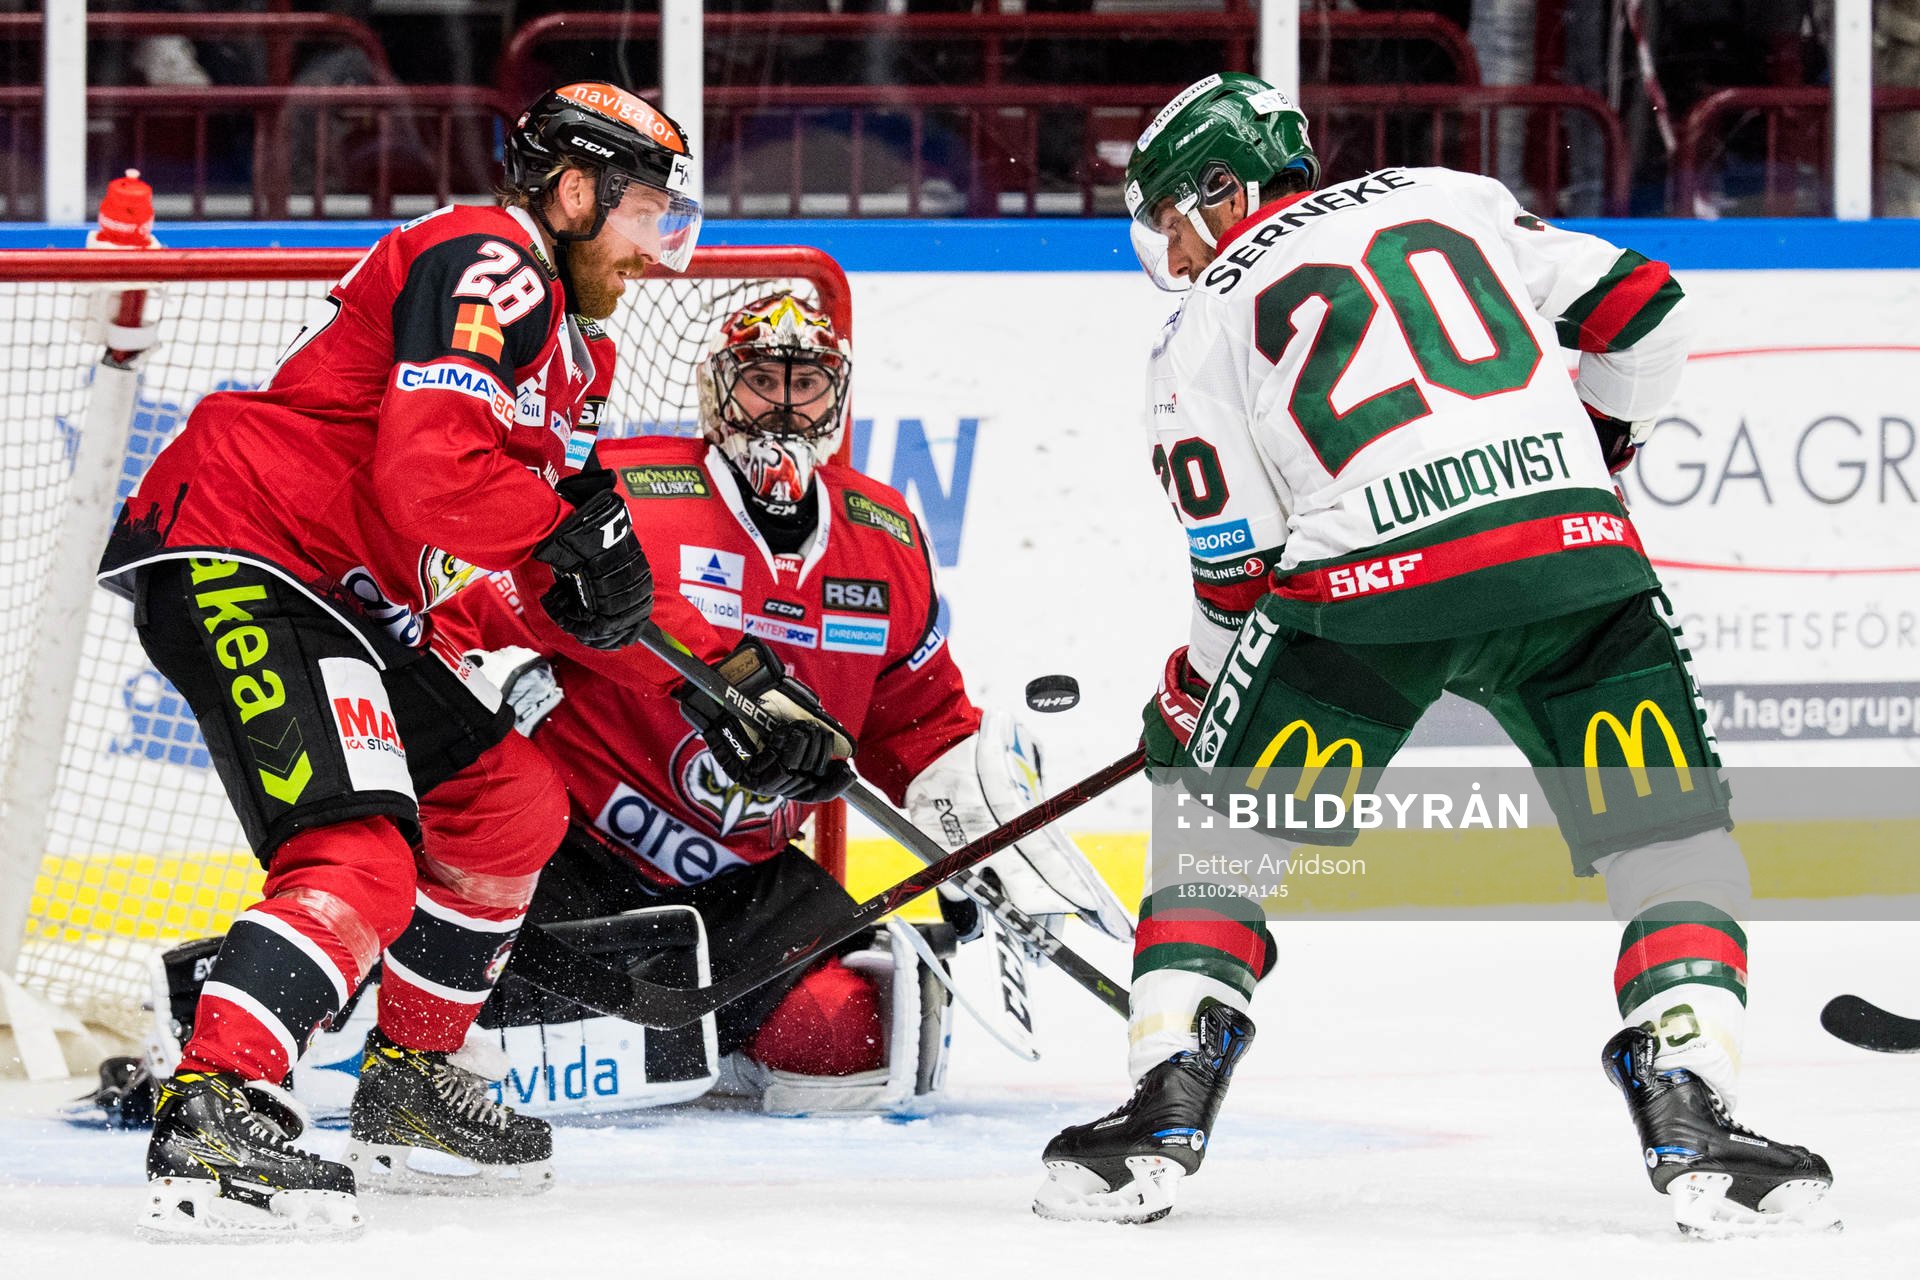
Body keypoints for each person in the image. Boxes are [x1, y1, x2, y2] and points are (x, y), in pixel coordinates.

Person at [1031, 72, 1832, 1236]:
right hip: (1579, 570)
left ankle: (1163, 1103)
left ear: (1225, 185)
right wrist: (1597, 453)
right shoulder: (1450, 195)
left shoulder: (1198, 324)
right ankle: (1695, 1111)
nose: (1169, 241)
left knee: (1222, 838)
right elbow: (1649, 310)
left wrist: (1194, 705)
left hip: (1365, 600)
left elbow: (1240, 573)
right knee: (1672, 843)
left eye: (1173, 209)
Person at [97, 82, 843, 1239]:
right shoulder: (494, 257)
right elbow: (432, 475)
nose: (659, 253)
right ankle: (217, 1101)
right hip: (252, 548)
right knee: (362, 849)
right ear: (575, 188)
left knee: (506, 801)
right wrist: (558, 532)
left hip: (351, 592)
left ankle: (406, 1085)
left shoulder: (575, 368)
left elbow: (578, 596)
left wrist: (730, 683)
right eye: (647, 213)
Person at [434, 290, 1135, 1112]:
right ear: (717, 390)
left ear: (836, 395)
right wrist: (499, 688)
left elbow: (920, 722)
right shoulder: (633, 493)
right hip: (571, 859)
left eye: (807, 384)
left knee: (854, 1037)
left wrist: (980, 835)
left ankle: (717, 1033)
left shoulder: (887, 535)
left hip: (743, 885)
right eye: (762, 378)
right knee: (471, 1036)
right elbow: (462, 620)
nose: (785, 404)